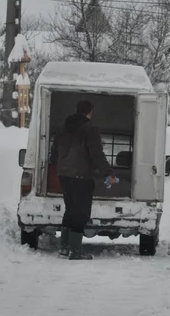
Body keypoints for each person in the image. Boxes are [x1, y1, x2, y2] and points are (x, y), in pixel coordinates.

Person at [50, 100, 117, 260]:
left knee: (70, 210)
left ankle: (64, 248)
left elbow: (54, 154)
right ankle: (75, 251)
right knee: (82, 213)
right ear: (89, 112)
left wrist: (59, 166)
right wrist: (108, 173)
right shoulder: (90, 129)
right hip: (82, 176)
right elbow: (96, 155)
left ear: (76, 110)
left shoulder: (62, 128)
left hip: (64, 175)